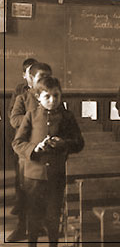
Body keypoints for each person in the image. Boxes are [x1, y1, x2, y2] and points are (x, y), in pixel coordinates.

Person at [12, 77, 84, 246]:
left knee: (53, 216)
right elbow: (17, 143)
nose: (53, 100)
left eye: (56, 95)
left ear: (61, 95)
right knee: (33, 216)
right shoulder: (31, 115)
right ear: (38, 97)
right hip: (33, 175)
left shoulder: (67, 116)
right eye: (47, 96)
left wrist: (64, 143)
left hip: (56, 174)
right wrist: (35, 148)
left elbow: (79, 143)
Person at [6, 58, 38, 242]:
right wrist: (33, 118)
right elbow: (14, 118)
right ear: (28, 76)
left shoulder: (49, 94)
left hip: (43, 151)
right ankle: (21, 227)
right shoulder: (21, 94)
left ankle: (37, 226)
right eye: (32, 74)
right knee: (23, 189)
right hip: (24, 147)